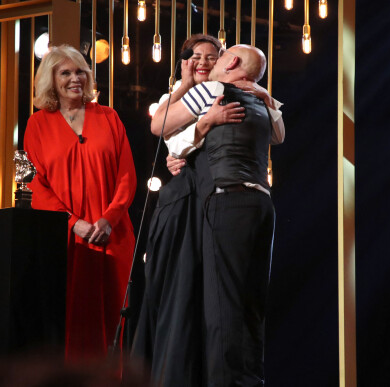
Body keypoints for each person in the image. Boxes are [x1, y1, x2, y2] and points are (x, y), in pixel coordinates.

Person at [132, 34, 282, 386]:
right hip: (189, 204)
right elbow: (163, 131)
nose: (203, 62)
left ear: (226, 62)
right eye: (195, 56)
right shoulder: (198, 93)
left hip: (218, 201)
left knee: (223, 302)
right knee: (195, 298)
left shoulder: (230, 91)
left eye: (212, 56)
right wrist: (198, 114)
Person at [24, 44, 137, 362]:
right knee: (72, 324)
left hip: (112, 236)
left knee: (115, 323)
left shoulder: (109, 117)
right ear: (50, 79)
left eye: (80, 72)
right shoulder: (37, 124)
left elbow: (127, 177)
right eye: (66, 72)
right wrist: (75, 224)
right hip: (66, 240)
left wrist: (108, 219)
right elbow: (38, 186)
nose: (75, 78)